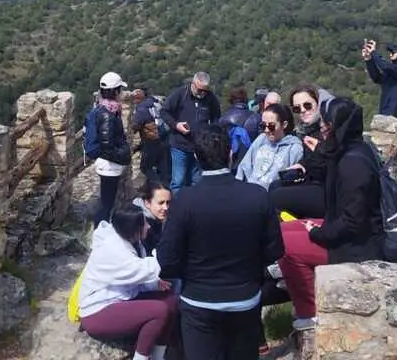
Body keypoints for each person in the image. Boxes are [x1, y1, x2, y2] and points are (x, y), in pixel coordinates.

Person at [158, 125, 283, 359]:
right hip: (245, 300)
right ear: (230, 154)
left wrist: (189, 273)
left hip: (199, 301)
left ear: (196, 157)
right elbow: (274, 250)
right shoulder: (257, 196)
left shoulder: (184, 200)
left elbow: (167, 259)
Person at [276, 97, 385, 355]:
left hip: (356, 246)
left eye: (327, 122)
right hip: (346, 231)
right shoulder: (350, 150)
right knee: (283, 230)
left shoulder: (353, 164)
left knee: (287, 246)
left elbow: (352, 224)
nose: (323, 126)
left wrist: (318, 232)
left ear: (339, 125)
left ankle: (308, 314)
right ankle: (290, 279)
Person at [78, 205, 178, 360]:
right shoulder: (113, 250)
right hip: (97, 312)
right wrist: (167, 250)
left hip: (119, 299)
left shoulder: (129, 241)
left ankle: (159, 356)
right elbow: (143, 269)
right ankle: (141, 357)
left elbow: (133, 278)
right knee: (159, 310)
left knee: (170, 300)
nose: (148, 226)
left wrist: (154, 284)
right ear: (132, 229)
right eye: (143, 224)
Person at [161, 72, 221, 196]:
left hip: (200, 147)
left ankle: (195, 208)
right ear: (193, 84)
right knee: (178, 181)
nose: (202, 94)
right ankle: (177, 209)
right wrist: (176, 125)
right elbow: (165, 112)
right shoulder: (180, 94)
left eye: (205, 91)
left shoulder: (210, 98)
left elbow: (216, 117)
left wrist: (210, 135)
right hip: (180, 145)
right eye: (200, 90)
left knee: (197, 181)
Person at [86, 72, 132, 226]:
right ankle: (99, 230)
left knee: (107, 200)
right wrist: (124, 156)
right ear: (116, 91)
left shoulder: (103, 108)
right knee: (107, 203)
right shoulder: (108, 114)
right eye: (120, 89)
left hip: (107, 163)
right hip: (109, 165)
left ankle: (101, 227)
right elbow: (107, 145)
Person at [235, 104, 304, 189]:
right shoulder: (261, 139)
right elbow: (244, 166)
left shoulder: (294, 148)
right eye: (263, 126)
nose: (267, 130)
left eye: (271, 126)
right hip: (250, 193)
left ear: (284, 125)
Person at [362, 39, 397, 121]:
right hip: (385, 109)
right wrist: (368, 59)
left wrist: (374, 53)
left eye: (393, 52)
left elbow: (385, 66)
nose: (390, 55)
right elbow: (377, 78)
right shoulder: (394, 70)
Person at [131, 87, 170, 185]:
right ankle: (166, 189)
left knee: (145, 167)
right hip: (165, 139)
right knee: (163, 169)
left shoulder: (141, 109)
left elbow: (134, 127)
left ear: (138, 99)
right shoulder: (156, 103)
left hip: (151, 141)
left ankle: (158, 186)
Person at [131, 179, 171, 256]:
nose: (166, 207)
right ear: (147, 203)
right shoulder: (141, 225)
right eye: (161, 203)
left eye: (168, 202)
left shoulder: (155, 218)